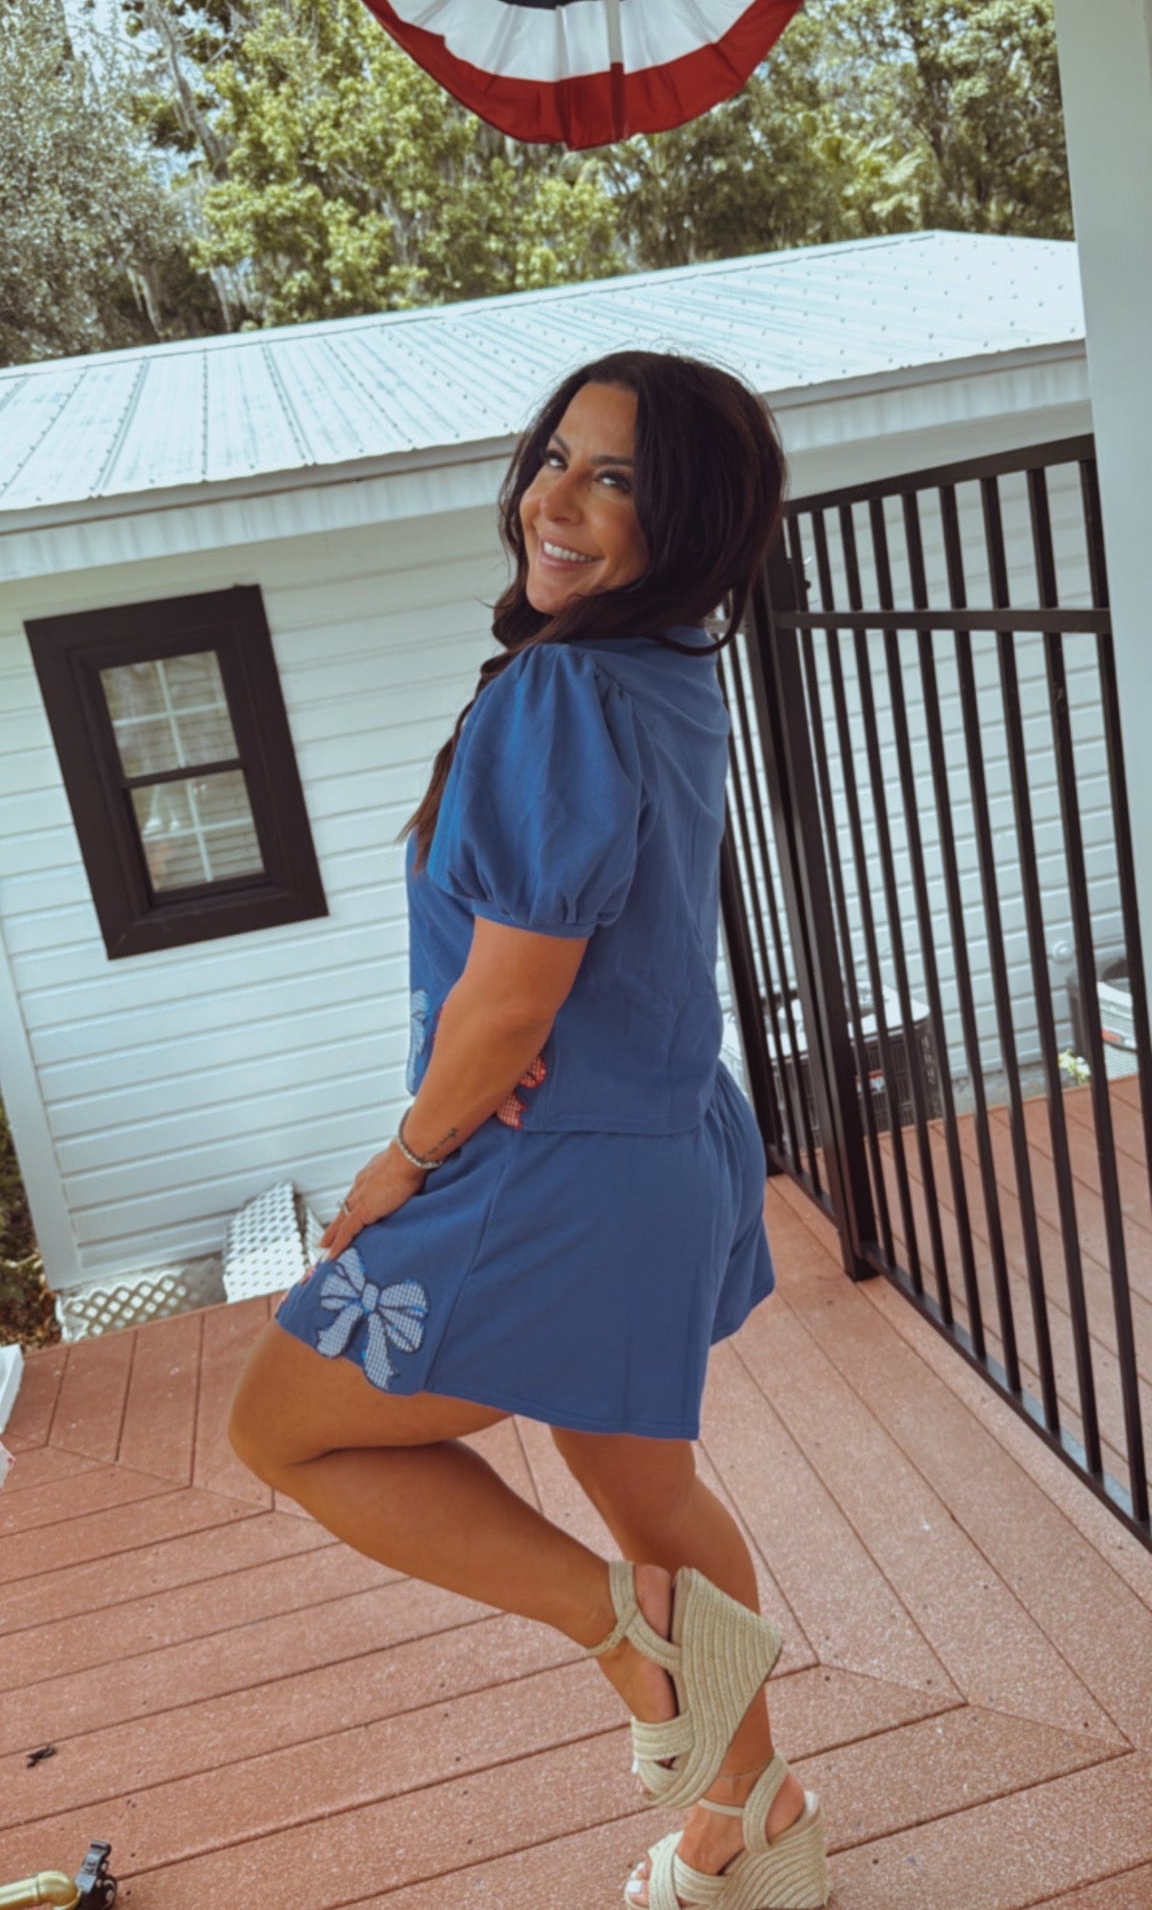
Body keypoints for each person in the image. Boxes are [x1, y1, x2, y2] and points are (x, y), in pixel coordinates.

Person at [229, 350, 831, 1910]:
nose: (555, 500)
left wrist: (402, 1161)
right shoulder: (665, 667)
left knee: (282, 1427)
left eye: (615, 478)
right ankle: (754, 1827)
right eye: (555, 457)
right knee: (654, 1499)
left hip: (552, 1174)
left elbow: (506, 1007)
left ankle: (621, 1635)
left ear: (687, 519)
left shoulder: (564, 689)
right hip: (664, 1145)